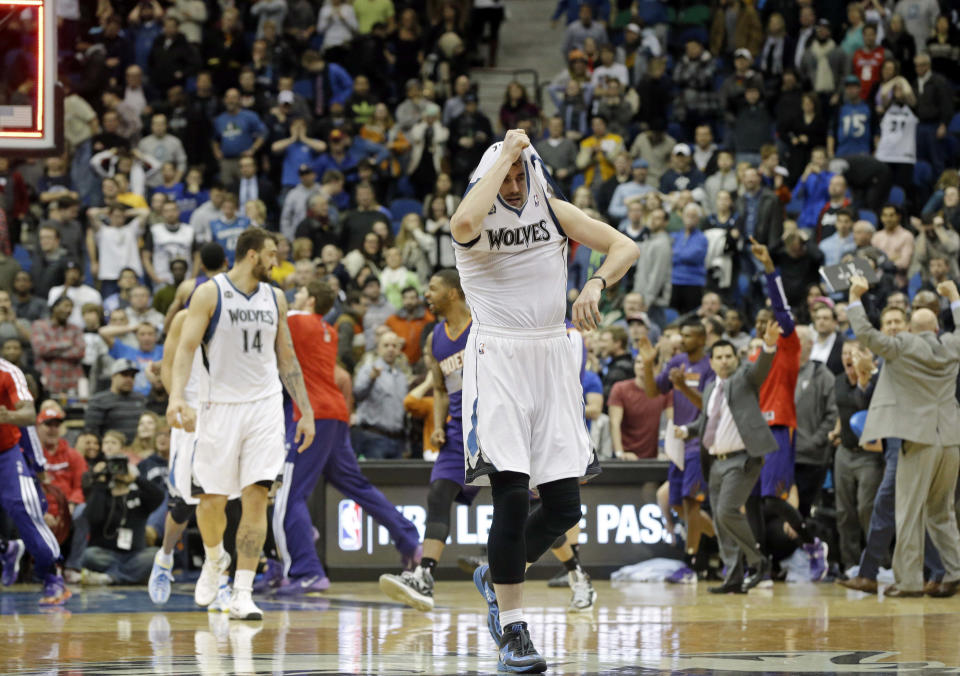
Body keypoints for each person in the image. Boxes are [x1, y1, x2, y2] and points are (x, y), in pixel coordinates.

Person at [451, 131, 638, 672]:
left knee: (563, 507)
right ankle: (513, 630)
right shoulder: (475, 213)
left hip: (553, 355)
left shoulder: (553, 209)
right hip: (499, 356)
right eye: (506, 174)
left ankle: (496, 570)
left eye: (519, 174)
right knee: (510, 495)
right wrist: (507, 153)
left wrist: (596, 283)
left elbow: (626, 246)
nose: (513, 183)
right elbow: (463, 225)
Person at [166, 227, 315, 620]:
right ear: (251, 254)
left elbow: (286, 358)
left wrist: (306, 410)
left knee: (256, 498)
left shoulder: (276, 298)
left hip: (264, 407)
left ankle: (243, 592)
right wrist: (177, 396)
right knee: (211, 500)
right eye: (271, 253)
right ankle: (215, 561)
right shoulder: (210, 293)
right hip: (219, 406)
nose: (276, 262)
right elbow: (184, 350)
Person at [273, 279, 421, 594]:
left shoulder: (298, 321)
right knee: (356, 485)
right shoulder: (326, 330)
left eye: (298, 291)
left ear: (310, 300)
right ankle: (407, 537)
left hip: (311, 415)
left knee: (290, 495)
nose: (293, 295)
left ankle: (307, 570)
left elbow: (267, 312)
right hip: (336, 413)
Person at [845, 276, 960, 597]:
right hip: (950, 438)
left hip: (917, 437)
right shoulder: (953, 345)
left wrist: (855, 297)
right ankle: (954, 571)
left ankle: (909, 581)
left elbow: (866, 334)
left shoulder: (902, 344)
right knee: (942, 511)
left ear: (911, 328)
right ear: (936, 330)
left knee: (908, 511)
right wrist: (954, 296)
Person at [380, 269, 478, 611]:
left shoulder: (483, 323)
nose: (427, 294)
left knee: (523, 502)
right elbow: (439, 388)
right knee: (438, 493)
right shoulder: (436, 336)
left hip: (495, 426)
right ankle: (424, 576)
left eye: (433, 288)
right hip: (456, 431)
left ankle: (572, 573)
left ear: (452, 293)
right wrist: (439, 424)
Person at [676, 321, 781, 593]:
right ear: (711, 363)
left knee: (726, 511)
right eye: (719, 357)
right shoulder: (711, 389)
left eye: (728, 356)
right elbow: (706, 422)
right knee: (722, 523)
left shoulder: (744, 378)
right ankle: (733, 576)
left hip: (742, 459)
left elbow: (760, 370)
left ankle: (759, 562)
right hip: (715, 462)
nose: (724, 361)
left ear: (737, 359)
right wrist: (686, 429)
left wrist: (769, 347)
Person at [749, 240, 829, 577]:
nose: (769, 324)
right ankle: (761, 565)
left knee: (772, 499)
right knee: (753, 501)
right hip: (753, 432)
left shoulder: (789, 346)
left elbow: (781, 306)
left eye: (773, 321)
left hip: (780, 427)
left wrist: (769, 268)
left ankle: (813, 543)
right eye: (763, 322)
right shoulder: (754, 355)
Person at [638, 320, 715, 579]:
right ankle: (725, 540)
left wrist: (682, 387)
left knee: (691, 504)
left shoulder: (710, 367)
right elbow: (652, 392)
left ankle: (691, 563)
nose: (682, 338)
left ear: (702, 339)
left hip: (700, 442)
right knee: (677, 506)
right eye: (681, 334)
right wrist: (649, 364)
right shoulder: (676, 361)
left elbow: (711, 408)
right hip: (678, 443)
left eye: (689, 334)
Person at [0, 358, 68, 604]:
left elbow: (29, 417)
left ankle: (52, 575)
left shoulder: (8, 371)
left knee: (25, 506)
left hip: (6, 453)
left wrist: (9, 415)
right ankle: (6, 548)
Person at [793, 326, 838, 518]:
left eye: (796, 339)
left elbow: (832, 415)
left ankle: (810, 547)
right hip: (783, 456)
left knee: (804, 512)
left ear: (810, 345)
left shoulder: (823, 375)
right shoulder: (780, 372)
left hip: (811, 458)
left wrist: (814, 442)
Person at [353, 331, 408, 459]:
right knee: (376, 478)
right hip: (374, 437)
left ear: (399, 350)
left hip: (397, 440)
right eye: (386, 345)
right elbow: (357, 394)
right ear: (378, 349)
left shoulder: (402, 377)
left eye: (394, 346)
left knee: (399, 479)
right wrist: (371, 379)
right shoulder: (368, 370)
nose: (390, 349)